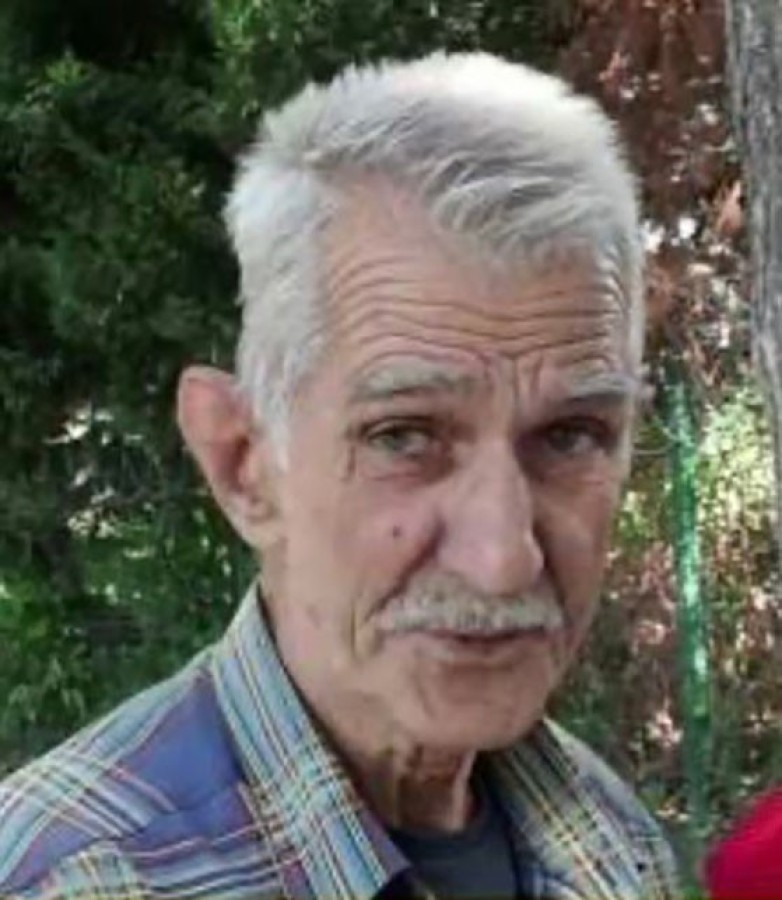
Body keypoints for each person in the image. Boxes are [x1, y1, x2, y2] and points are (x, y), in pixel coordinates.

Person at [0, 52, 679, 899]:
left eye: (571, 436)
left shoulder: (608, 840)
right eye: (405, 437)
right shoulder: (77, 882)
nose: (504, 559)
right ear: (245, 465)